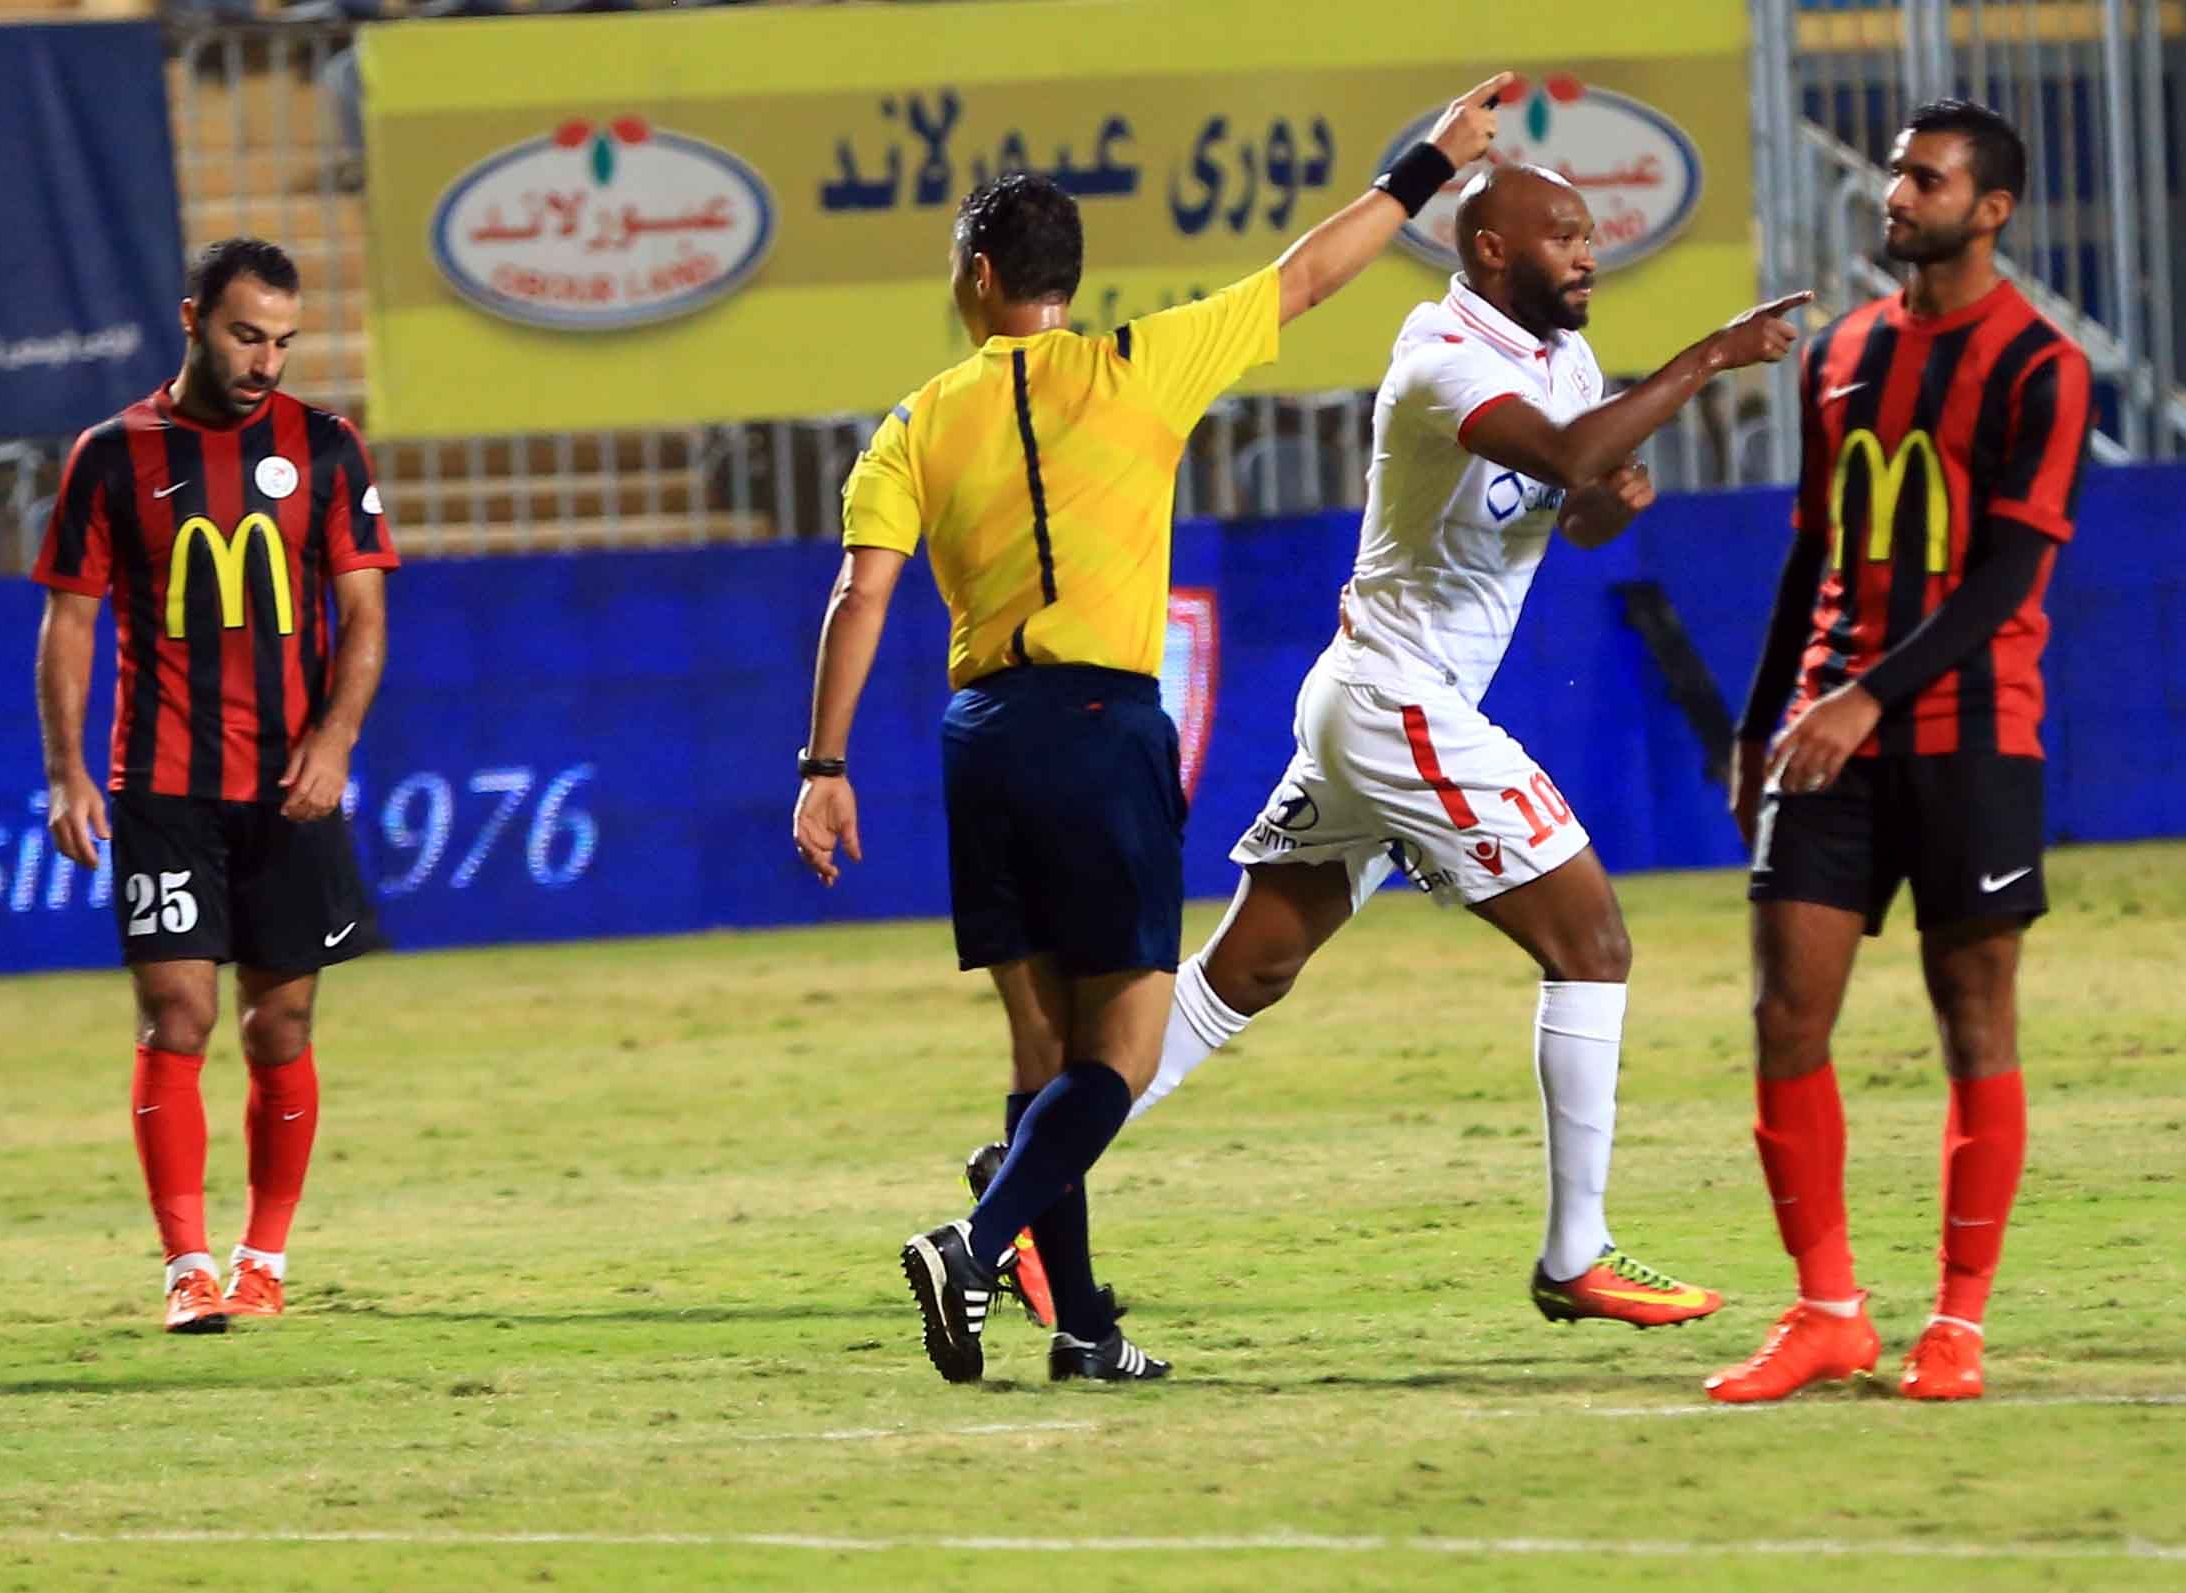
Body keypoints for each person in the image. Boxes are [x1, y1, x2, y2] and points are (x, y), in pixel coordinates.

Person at [792, 77, 1515, 1385]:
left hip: (980, 732)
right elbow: (1304, 279)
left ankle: (1080, 1327)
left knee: (1037, 1052)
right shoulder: (1138, 363)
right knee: (1122, 1048)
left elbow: (863, 592)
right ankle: (974, 1243)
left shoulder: (910, 425)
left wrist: (824, 765)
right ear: (1065, 278)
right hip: (1101, 721)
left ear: (975, 277)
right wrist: (1425, 168)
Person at [1111, 165, 1810, 1328]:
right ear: (1491, 249)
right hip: (1400, 704)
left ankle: (1023, 1184)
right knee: (1593, 942)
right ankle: (1576, 1256)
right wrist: (1705, 360)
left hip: (1372, 706)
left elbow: (1567, 496)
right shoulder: (1440, 355)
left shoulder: (1564, 363)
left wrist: (1603, 507)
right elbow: (1569, 455)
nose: (1588, 255)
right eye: (1565, 237)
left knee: (1247, 975)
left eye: (1592, 236)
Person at [1704, 99, 2092, 1405]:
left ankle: (1958, 1326)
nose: (1895, 195)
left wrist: (1863, 695)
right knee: (1781, 1011)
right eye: (1893, 175)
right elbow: (1808, 551)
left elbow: (2005, 578)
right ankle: (1826, 1309)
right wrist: (1760, 719)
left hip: (1971, 735)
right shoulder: (1844, 353)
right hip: (1826, 733)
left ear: (1991, 209)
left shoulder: (2040, 365)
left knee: (1971, 1018)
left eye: (1924, 180)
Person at [31, 236, 397, 1334]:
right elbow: (70, 621)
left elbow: (367, 617)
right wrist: (64, 773)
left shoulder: (327, 451)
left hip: (290, 785)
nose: (267, 361)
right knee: (176, 1011)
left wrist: (334, 742)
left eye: (284, 341)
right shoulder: (110, 454)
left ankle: (264, 1257)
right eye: (247, 336)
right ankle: (188, 1267)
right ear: (193, 319)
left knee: (278, 1026)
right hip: (164, 784)